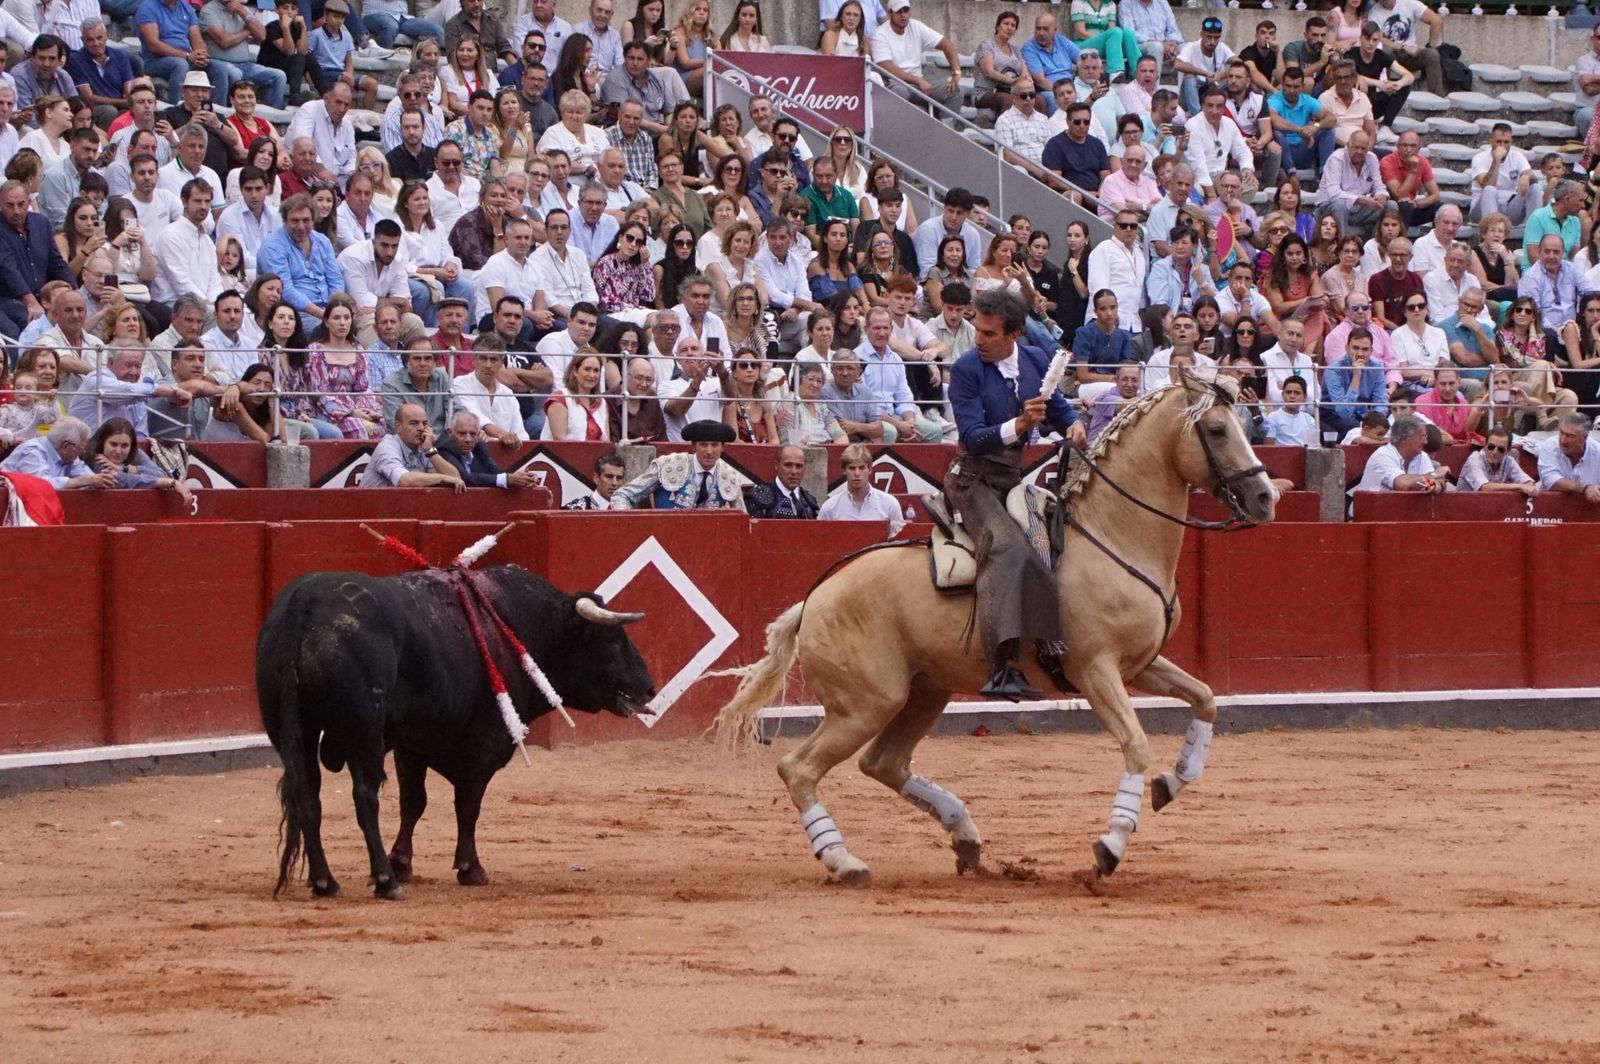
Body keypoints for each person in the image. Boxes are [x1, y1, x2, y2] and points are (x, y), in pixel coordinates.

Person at [945, 288, 1084, 699]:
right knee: (1008, 549)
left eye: (988, 333)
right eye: (977, 331)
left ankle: (1049, 640)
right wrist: (1020, 426)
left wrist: (1073, 424)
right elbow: (972, 438)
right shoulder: (967, 369)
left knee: (1051, 539)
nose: (979, 339)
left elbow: (1055, 406)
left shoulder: (1036, 359)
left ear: (1015, 333)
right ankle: (1001, 665)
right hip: (972, 480)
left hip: (1009, 479)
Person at [611, 416, 747, 510]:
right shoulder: (668, 465)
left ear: (722, 448)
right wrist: (631, 525)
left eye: (715, 445)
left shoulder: (730, 475)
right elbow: (621, 495)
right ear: (693, 446)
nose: (709, 451)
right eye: (703, 445)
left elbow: (742, 518)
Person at [872, 0, 962, 111]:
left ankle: (948, 127)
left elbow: (947, 45)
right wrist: (918, 80)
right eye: (898, 12)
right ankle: (900, 128)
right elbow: (886, 67)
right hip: (894, 83)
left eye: (906, 10)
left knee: (954, 91)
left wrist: (956, 71)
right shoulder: (880, 34)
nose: (903, 15)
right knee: (899, 91)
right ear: (890, 14)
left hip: (918, 83)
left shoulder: (915, 26)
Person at [357, 402, 464, 491]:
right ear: (398, 426)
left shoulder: (425, 445)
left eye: (425, 423)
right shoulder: (388, 446)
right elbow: (403, 480)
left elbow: (456, 479)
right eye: (414, 423)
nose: (421, 428)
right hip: (372, 510)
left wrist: (431, 452)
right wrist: (442, 478)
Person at [436, 409, 540, 490]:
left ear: (478, 434)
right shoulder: (443, 447)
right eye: (462, 434)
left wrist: (522, 479)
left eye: (472, 434)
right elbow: (464, 478)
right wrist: (508, 479)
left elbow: (495, 472)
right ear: (450, 432)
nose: (468, 439)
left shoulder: (479, 445)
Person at [0, 416, 115, 489]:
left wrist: (101, 480)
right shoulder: (32, 451)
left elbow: (85, 476)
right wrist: (83, 481)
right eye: (82, 448)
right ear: (66, 446)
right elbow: (41, 485)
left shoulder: (70, 454)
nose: (83, 452)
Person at [1317, 130, 1387, 238]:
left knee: (1391, 206)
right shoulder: (1337, 158)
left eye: (1363, 149)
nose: (1359, 151)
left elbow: (1379, 186)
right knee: (1340, 204)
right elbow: (1334, 193)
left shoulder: (1372, 159)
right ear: (1348, 145)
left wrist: (1381, 195)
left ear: (1368, 148)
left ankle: (1378, 246)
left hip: (1359, 209)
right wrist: (1362, 200)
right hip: (1330, 208)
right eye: (1356, 147)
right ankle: (1341, 247)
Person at [1087, 210, 1147, 333]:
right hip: (1107, 321)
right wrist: (1110, 314)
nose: (1129, 229)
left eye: (1133, 226)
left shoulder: (1139, 253)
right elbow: (1099, 287)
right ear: (1115, 226)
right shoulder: (1104, 249)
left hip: (1132, 323)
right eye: (1124, 225)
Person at [1321, 327, 1387, 439]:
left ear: (1371, 351)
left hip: (1363, 415)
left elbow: (1380, 402)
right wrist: (1357, 376)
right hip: (1332, 415)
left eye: (1365, 349)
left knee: (1390, 426)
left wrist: (1375, 423)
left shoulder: (1376, 366)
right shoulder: (1334, 369)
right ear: (1347, 348)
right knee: (1357, 429)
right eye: (1355, 348)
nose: (1360, 353)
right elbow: (1344, 412)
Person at [1353, 413, 1442, 494]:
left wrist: (1438, 485)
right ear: (1404, 438)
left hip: (1398, 509)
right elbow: (1403, 484)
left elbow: (1433, 482)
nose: (1426, 442)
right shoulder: (1382, 456)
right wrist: (1434, 475)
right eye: (1422, 437)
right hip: (1370, 510)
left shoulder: (1422, 455)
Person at [1537, 413, 1600, 502]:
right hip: (1551, 506)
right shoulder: (1550, 445)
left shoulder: (1597, 452)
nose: (1563, 440)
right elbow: (1550, 480)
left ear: (1585, 438)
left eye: (1570, 436)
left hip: (1588, 510)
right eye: (1562, 433)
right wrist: (1584, 488)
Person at [1458, 427, 1536, 496]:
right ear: (1485, 445)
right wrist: (1519, 486)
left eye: (1501, 449)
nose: (1495, 452)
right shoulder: (1474, 459)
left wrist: (1526, 486)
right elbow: (1485, 488)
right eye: (1491, 447)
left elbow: (1529, 484)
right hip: (1463, 508)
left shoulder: (1509, 461)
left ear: (1507, 451)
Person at [1263, 376, 1317, 447]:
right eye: (1288, 392)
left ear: (1304, 397)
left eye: (1297, 393)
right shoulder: (1273, 418)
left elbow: (1313, 448)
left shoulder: (1309, 420)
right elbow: (1268, 449)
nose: (1292, 396)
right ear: (1282, 395)